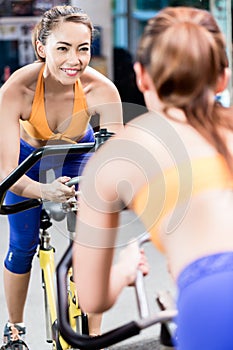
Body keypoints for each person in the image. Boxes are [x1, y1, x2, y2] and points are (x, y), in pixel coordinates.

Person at [73, 6, 233, 350]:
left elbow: (92, 298)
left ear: (141, 76)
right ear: (223, 78)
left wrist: (127, 268)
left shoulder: (119, 154)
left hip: (213, 303)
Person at [0, 5, 123, 350]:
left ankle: (93, 336)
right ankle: (14, 330)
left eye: (83, 48)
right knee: (22, 245)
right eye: (63, 48)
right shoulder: (15, 91)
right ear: (42, 48)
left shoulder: (102, 91)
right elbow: (7, 173)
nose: (75, 59)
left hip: (76, 156)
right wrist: (44, 191)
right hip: (28, 162)